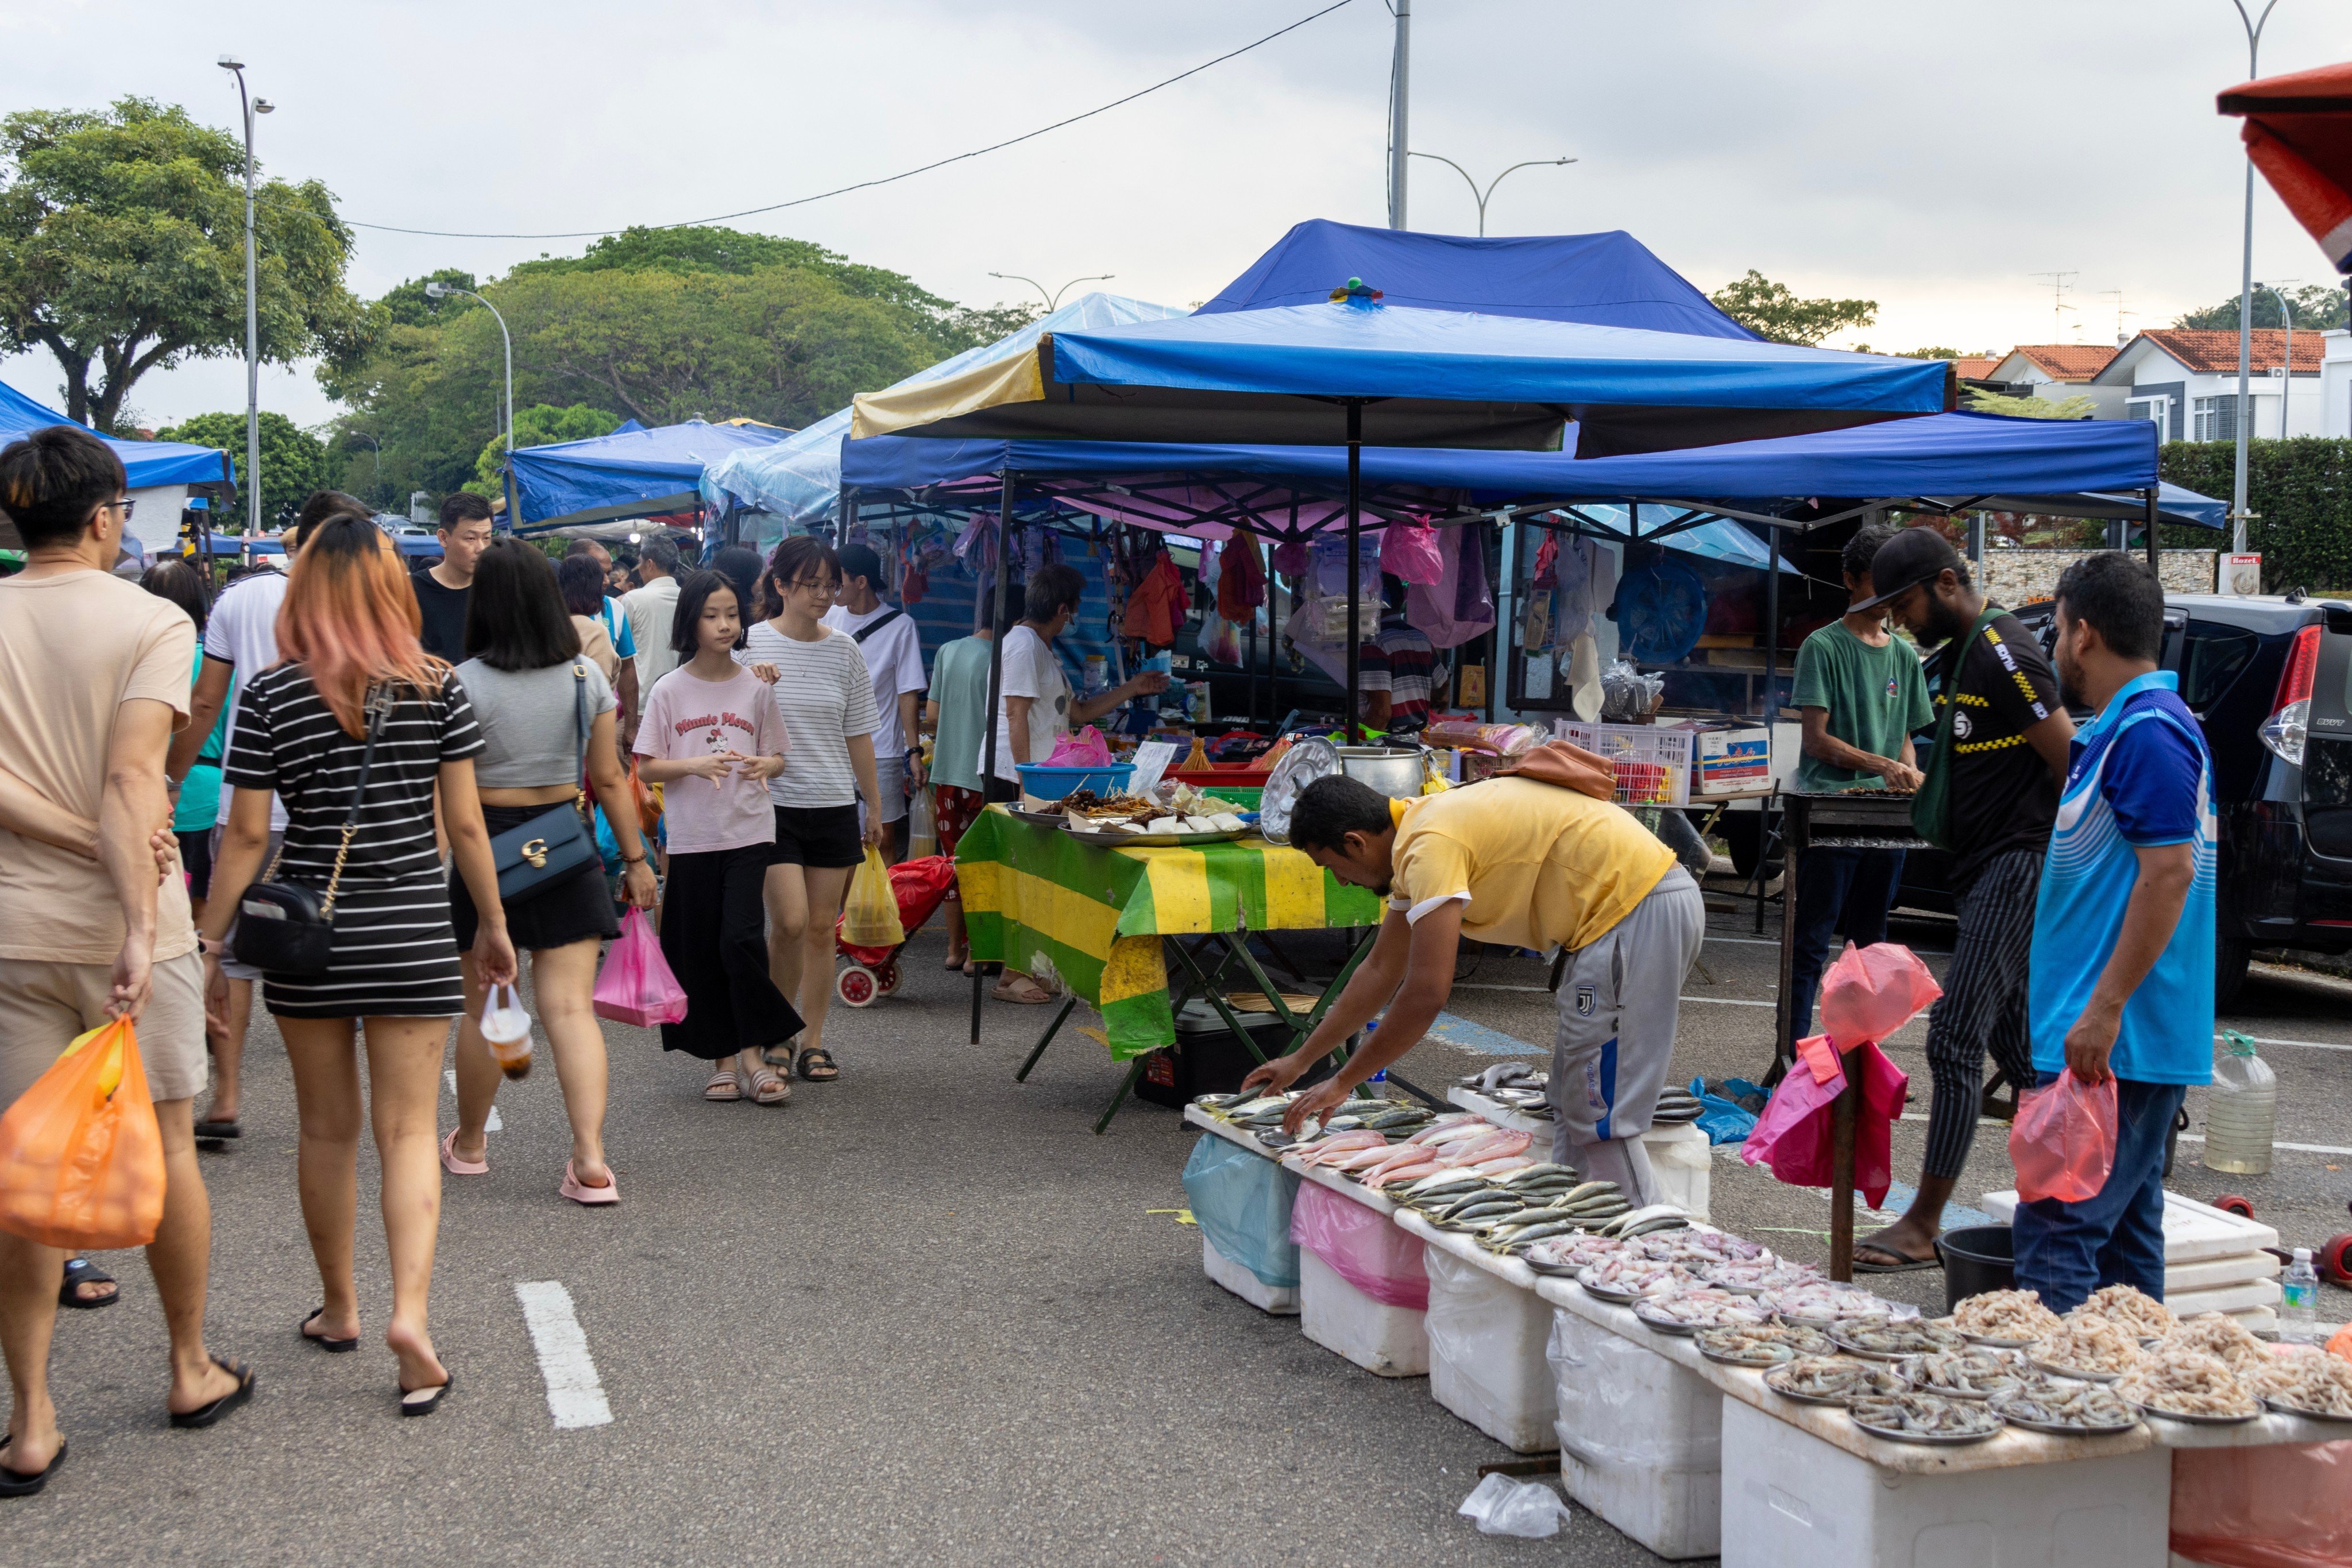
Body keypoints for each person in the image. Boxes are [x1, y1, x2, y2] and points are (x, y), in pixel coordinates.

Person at [200, 513, 516, 1416]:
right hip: (415, 927)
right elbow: (463, 826)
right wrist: (491, 923)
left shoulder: (268, 696)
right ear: (390, 589)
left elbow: (251, 834)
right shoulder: (438, 686)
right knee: (410, 1133)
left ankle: (340, 1307)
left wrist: (207, 942)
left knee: (326, 1130)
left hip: (310, 937)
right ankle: (409, 1320)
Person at [0, 426, 252, 1493]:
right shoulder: (153, 620)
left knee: (24, 1173)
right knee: (167, 1150)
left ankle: (30, 1423)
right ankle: (188, 1367)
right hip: (120, 932)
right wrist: (145, 926)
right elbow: (130, 781)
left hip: (10, 929)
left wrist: (60, 839)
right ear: (107, 515)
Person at [1239, 771, 1703, 1204]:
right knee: (1570, 1099)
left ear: (1354, 842)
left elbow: (1426, 992)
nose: (1341, 881)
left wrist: (1343, 1082)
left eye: (1331, 867)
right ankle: (1578, 1226)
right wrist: (1302, 1061)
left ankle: (1645, 1246)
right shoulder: (1419, 833)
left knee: (1600, 1112)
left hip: (1636, 911)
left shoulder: (1430, 844)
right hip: (1625, 916)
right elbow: (1380, 970)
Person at [1848, 528, 2075, 1272]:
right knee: (2023, 1052)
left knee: (1951, 1035)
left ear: (1946, 583)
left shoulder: (2000, 650)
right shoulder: (1953, 657)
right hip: (1978, 870)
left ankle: (1921, 1223)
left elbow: (2066, 757)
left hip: (2015, 864)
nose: (1899, 617)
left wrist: (2051, 862)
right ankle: (2083, 1191)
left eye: (1904, 601)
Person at [2012, 553, 2213, 1314]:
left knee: (2056, 1241)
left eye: (2058, 629)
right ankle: (2130, 1412)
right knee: (2125, 1255)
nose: (2055, 646)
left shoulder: (2149, 734)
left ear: (2084, 633)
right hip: (2106, 1043)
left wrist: (2102, 1007)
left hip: (2109, 1049)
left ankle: (2063, 1418)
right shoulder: (2123, 729)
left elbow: (2168, 874)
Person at [442, 543, 656, 1201]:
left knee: (486, 1008)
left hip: (488, 848)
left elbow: (455, 813)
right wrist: (639, 860)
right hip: (565, 844)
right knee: (569, 1009)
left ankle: (472, 1145)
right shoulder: (582, 680)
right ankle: (590, 1158)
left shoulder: (461, 683)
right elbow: (611, 781)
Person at [165, 491, 362, 1143]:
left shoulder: (238, 600)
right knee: (329, 934)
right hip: (335, 811)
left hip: (248, 802)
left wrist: (169, 779)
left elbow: (204, 702)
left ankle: (225, 1094)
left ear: (293, 539)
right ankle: (331, 1094)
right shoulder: (361, 603)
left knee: (237, 950)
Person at [634, 571, 802, 1103]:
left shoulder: (756, 686)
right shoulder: (668, 688)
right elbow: (645, 769)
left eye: (732, 613)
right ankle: (723, 1061)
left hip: (749, 832)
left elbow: (778, 755)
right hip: (691, 838)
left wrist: (764, 765)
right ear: (690, 621)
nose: (725, 624)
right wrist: (693, 764)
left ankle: (754, 1054)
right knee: (704, 950)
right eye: (712, 615)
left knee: (741, 940)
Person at [984, 564, 1168, 1002]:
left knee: (1041, 873)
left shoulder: (1041, 649)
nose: (1073, 620)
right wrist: (1028, 781)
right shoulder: (1022, 645)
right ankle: (1009, 976)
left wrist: (1132, 688)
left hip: (1046, 777)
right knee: (1024, 871)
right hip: (1020, 776)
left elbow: (1079, 713)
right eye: (1073, 612)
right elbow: (1014, 714)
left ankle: (1026, 966)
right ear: (1063, 609)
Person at [1785, 520, 1933, 1041]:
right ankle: (1796, 1054)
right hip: (1828, 812)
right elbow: (1816, 742)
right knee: (1810, 941)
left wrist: (1907, 769)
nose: (1889, 596)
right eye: (1877, 582)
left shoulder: (1904, 656)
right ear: (1850, 580)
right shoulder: (1821, 648)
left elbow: (1906, 738)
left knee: (1873, 947)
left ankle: (1860, 1056)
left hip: (1885, 820)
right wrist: (1883, 766)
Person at [740, 537, 880, 1082]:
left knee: (824, 928)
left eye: (831, 584)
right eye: (811, 584)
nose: (825, 594)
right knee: (791, 923)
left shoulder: (845, 649)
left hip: (832, 802)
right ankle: (777, 1027)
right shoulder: (747, 646)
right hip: (771, 804)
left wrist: (873, 804)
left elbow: (859, 734)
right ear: (780, 586)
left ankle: (813, 1040)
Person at [922, 597, 1020, 974]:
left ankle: (952, 949)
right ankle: (979, 952)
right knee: (985, 864)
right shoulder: (1006, 658)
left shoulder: (948, 651)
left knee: (954, 864)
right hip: (985, 777)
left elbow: (931, 714)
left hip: (946, 775)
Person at [822, 541, 927, 862]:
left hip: (881, 748)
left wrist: (913, 752)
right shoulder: (828, 617)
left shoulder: (900, 626)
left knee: (883, 834)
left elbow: (907, 693)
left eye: (836, 580)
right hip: (831, 746)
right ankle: (844, 909)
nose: (830, 588)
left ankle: (882, 908)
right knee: (837, 834)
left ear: (861, 582)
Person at [140, 561, 229, 918]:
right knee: (201, 908)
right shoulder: (216, 664)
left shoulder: (140, 660)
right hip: (211, 794)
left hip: (149, 794)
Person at [411, 494, 495, 662]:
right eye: (471, 539)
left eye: (487, 538)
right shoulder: (411, 591)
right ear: (443, 538)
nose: (481, 548)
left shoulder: (497, 589)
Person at [1357, 600, 1445, 734]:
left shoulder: (1375, 641)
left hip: (1386, 742)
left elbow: (1381, 713)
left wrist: (1362, 746)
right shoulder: (1421, 638)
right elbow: (1443, 689)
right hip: (1416, 738)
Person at [619, 536, 683, 710]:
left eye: (640, 563)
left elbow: (622, 654)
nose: (639, 568)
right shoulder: (687, 597)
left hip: (642, 701)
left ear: (650, 564)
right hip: (680, 700)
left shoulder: (633, 599)